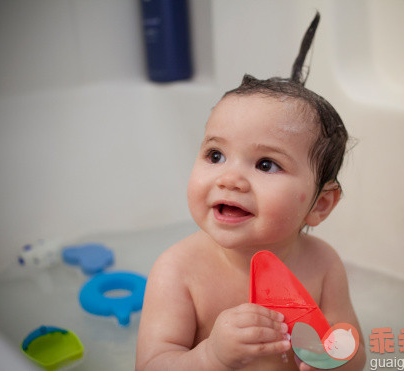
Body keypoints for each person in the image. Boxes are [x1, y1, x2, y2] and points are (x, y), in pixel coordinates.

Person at [136, 12, 366, 371]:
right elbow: (151, 366)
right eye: (215, 155)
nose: (230, 179)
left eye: (265, 165)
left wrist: (337, 360)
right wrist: (211, 355)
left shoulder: (323, 265)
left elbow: (354, 352)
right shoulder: (178, 271)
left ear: (320, 204)